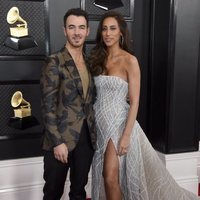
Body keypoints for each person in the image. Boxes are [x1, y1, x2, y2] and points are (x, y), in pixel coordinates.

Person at [90, 10, 199, 200]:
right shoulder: (98, 58)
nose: (108, 33)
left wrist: (125, 136)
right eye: (105, 29)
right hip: (99, 124)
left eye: (112, 29)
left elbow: (135, 101)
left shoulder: (130, 61)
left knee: (110, 177)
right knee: (106, 177)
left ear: (121, 33)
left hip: (118, 124)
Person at [40, 8, 96, 200]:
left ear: (88, 31)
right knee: (53, 194)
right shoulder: (54, 61)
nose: (77, 32)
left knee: (79, 193)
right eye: (72, 27)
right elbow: (47, 107)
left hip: (86, 139)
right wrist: (57, 143)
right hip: (60, 141)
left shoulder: (89, 62)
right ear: (64, 30)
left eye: (81, 28)